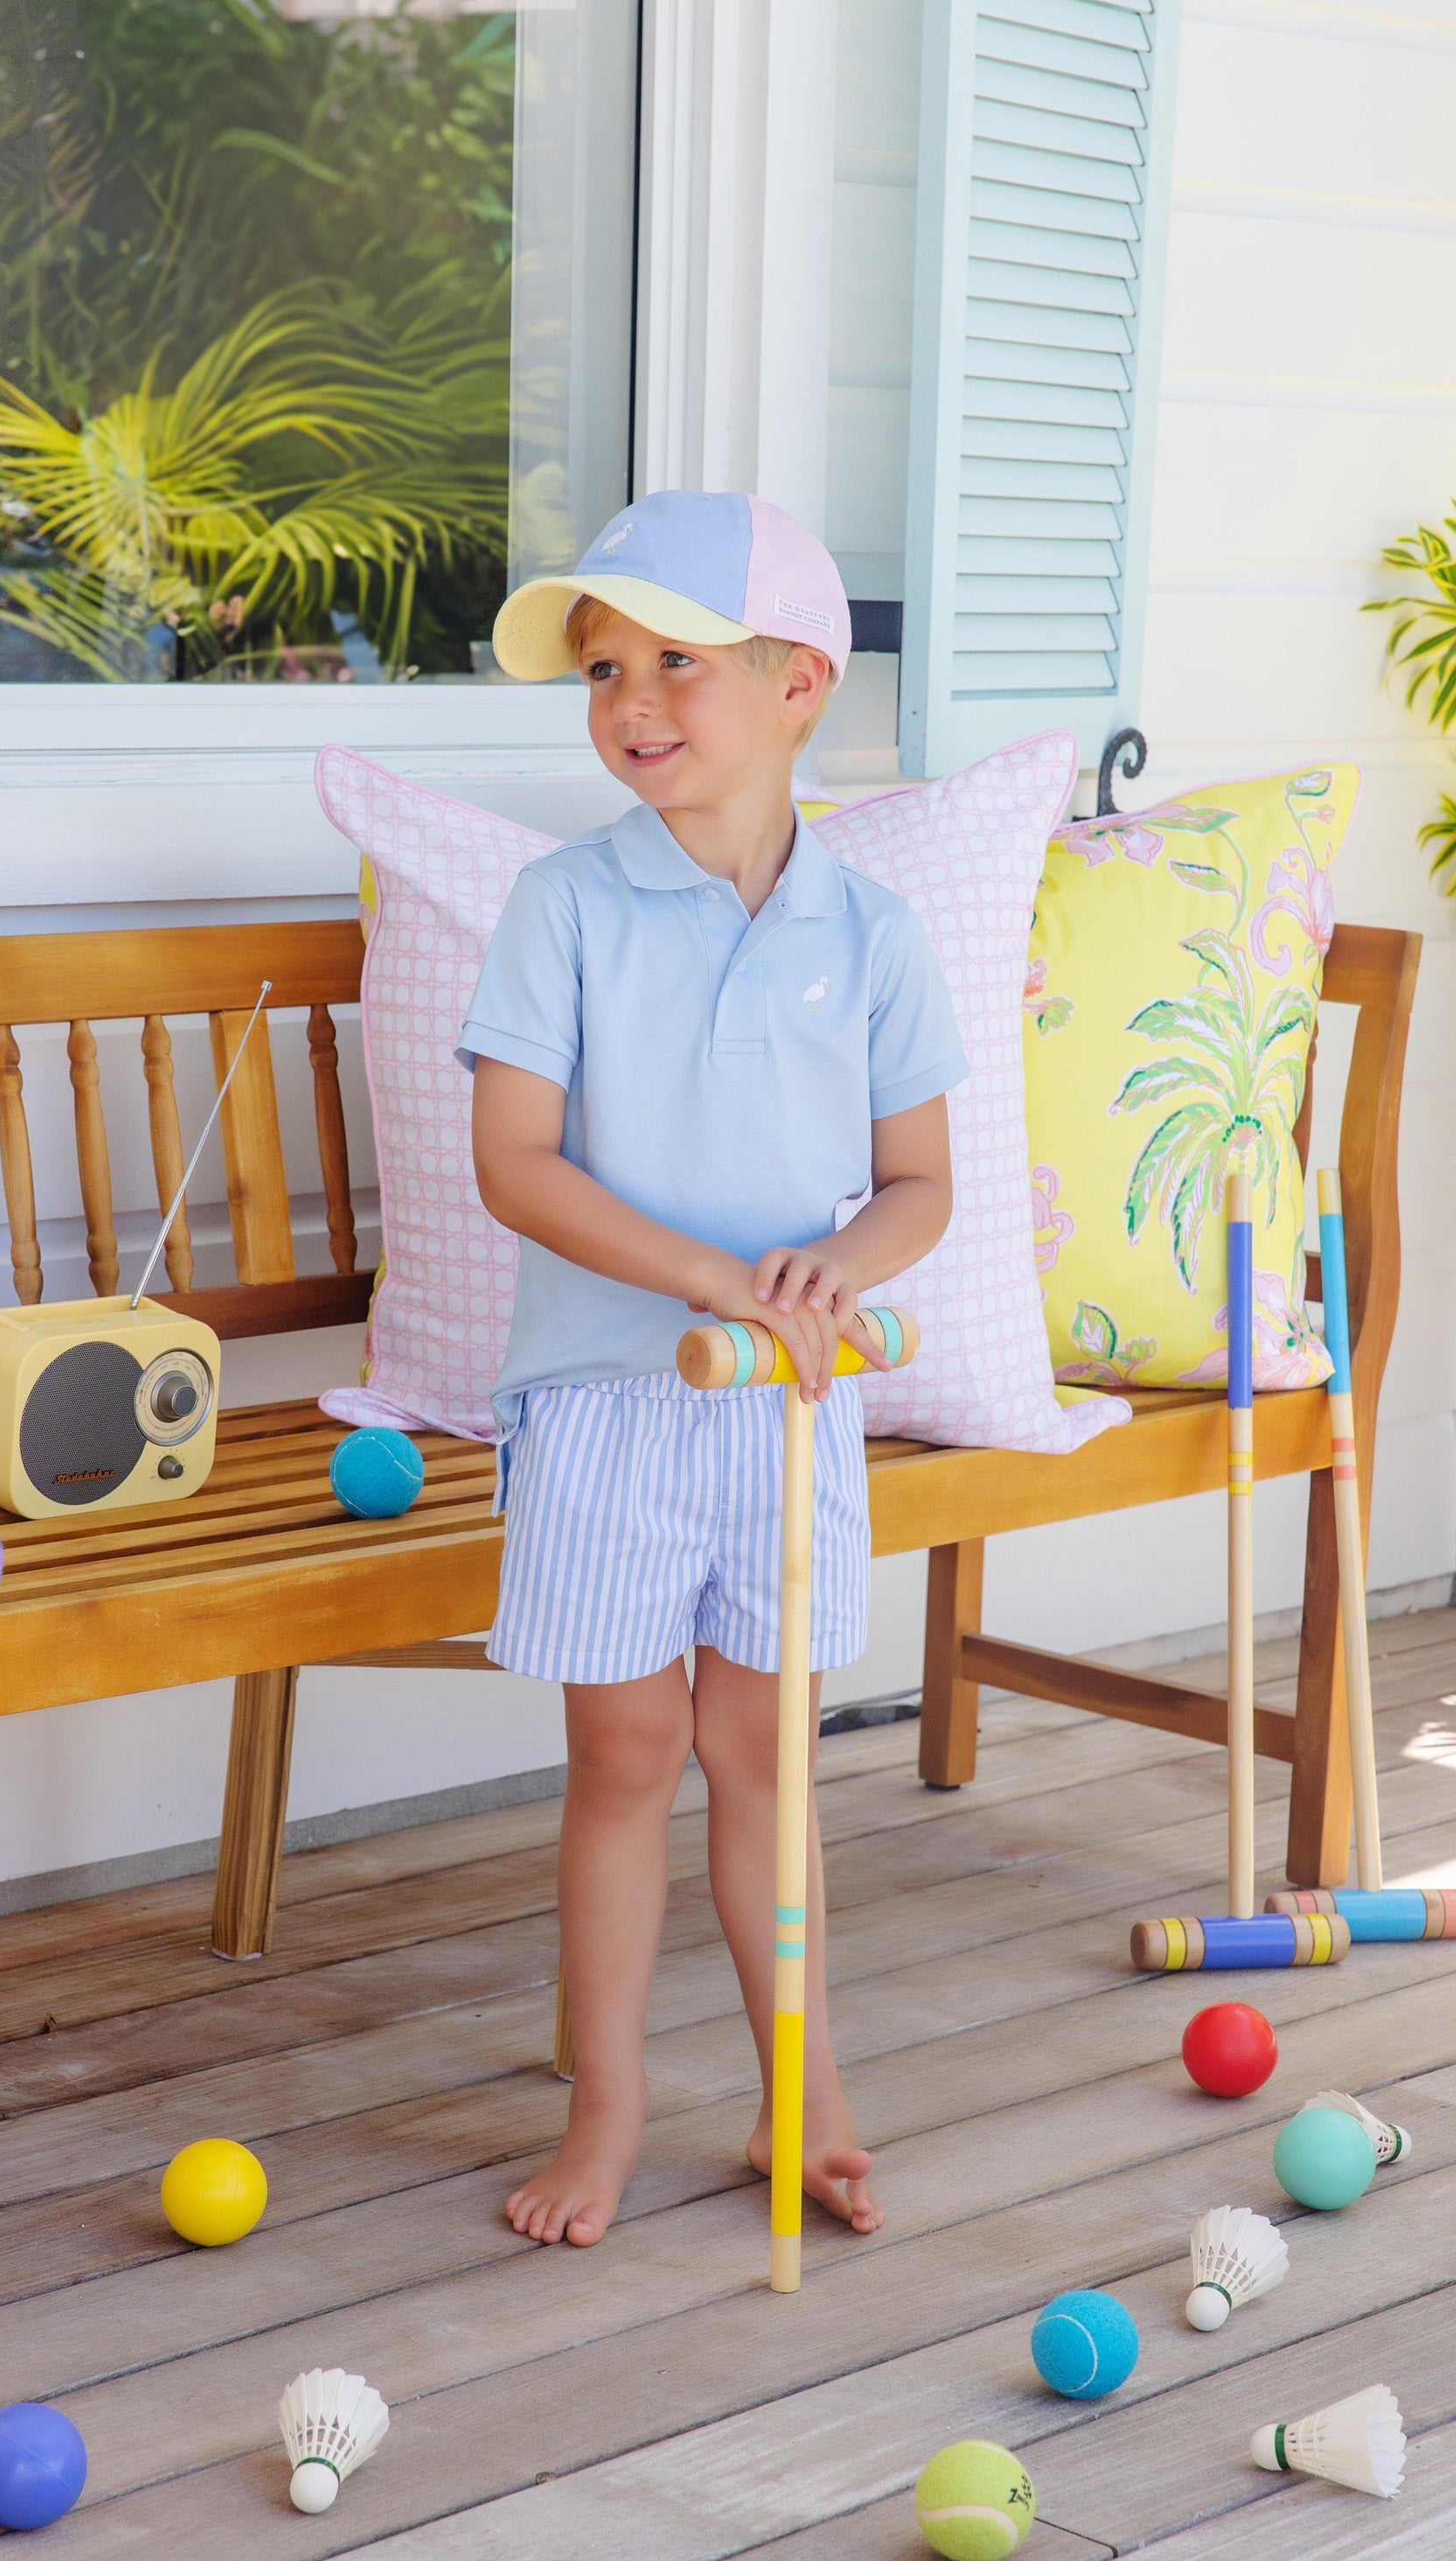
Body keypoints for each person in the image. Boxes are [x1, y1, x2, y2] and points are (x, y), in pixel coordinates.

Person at [460, 489, 964, 2249]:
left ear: (799, 682)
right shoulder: (561, 908)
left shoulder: (874, 938)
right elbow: (513, 1165)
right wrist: (708, 1281)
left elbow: (918, 1188)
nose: (628, 698)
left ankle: (800, 2102)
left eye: (675, 659)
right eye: (604, 667)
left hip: (783, 1417)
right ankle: (610, 2104)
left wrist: (828, 1279)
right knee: (623, 1762)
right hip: (610, 1406)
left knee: (765, 1757)